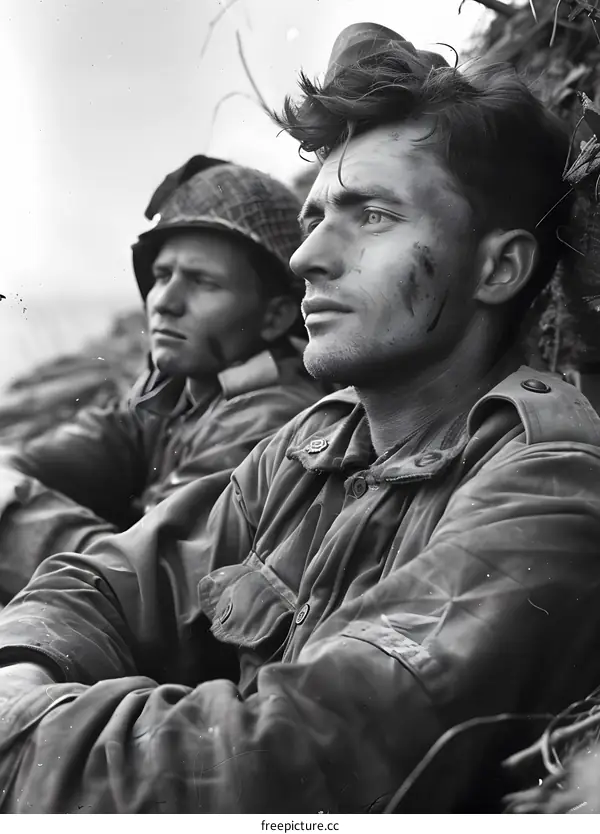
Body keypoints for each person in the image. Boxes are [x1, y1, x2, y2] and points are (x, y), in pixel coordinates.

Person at [0, 22, 600, 814]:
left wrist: (19, 722)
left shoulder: (545, 487)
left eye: (372, 215)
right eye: (316, 217)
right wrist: (25, 664)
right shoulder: (316, 444)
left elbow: (282, 762)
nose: (308, 256)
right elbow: (104, 583)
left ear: (499, 267)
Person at [0, 155, 323, 601]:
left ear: (275, 316)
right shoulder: (180, 393)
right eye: (161, 275)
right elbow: (94, 443)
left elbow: (146, 584)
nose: (165, 302)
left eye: (203, 282)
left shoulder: (267, 423)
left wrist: (12, 511)